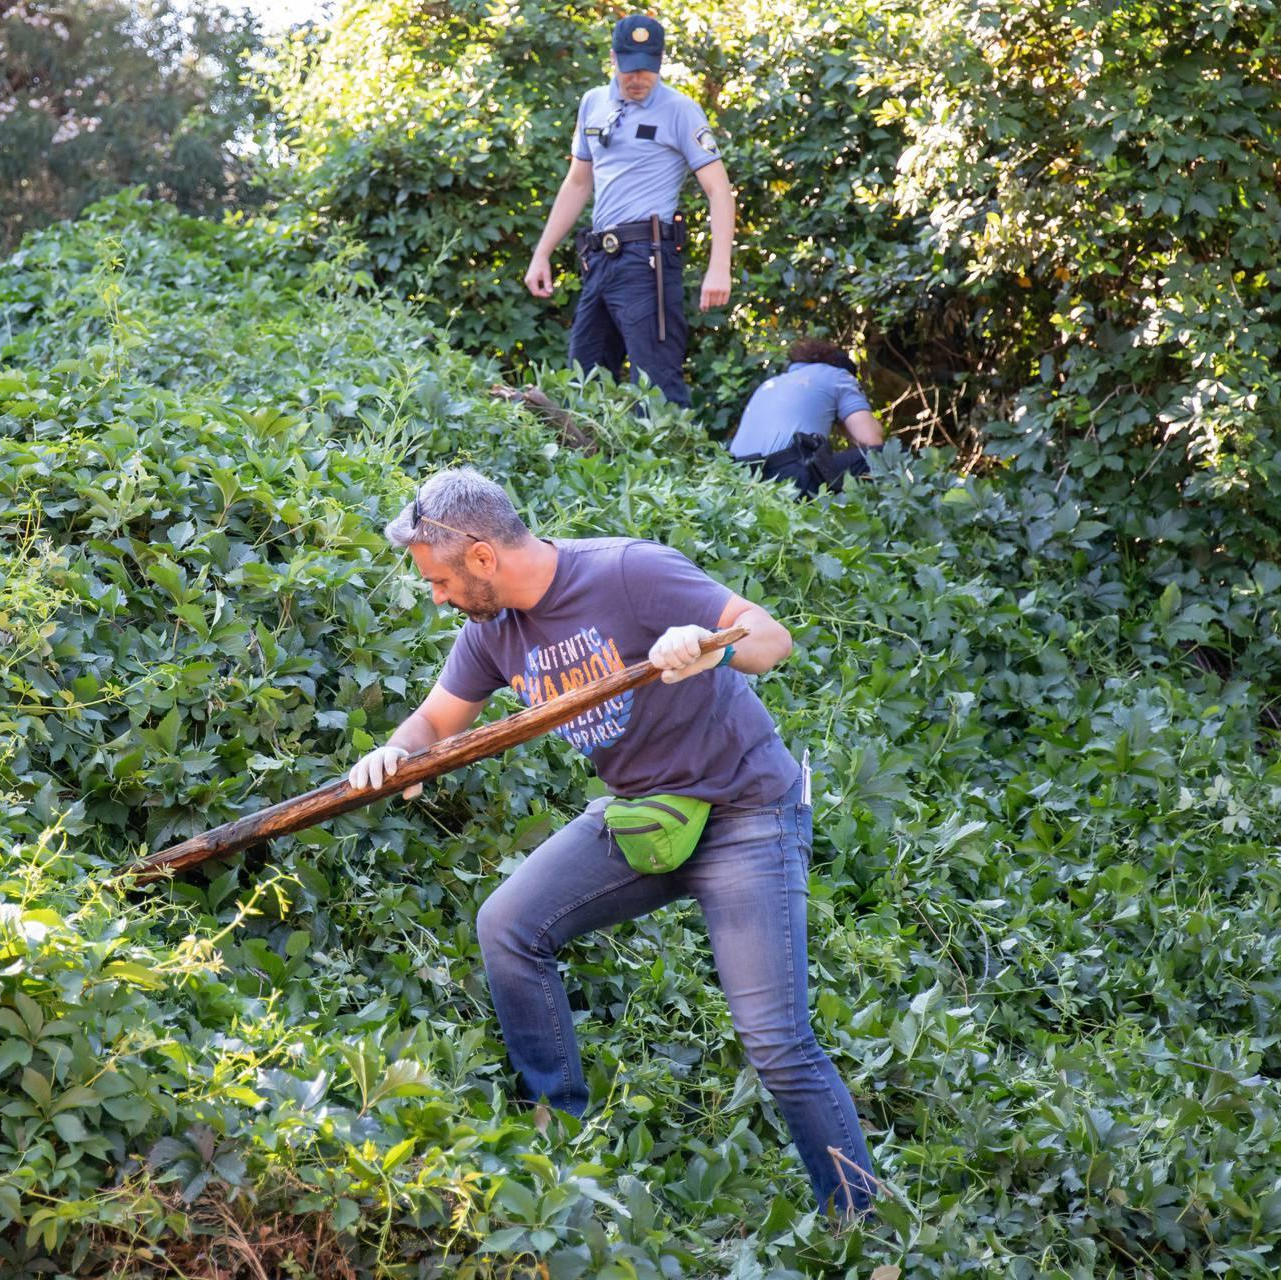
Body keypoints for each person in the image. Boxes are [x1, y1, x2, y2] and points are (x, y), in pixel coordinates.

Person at [346, 467, 877, 1216]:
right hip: (646, 817)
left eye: (438, 579)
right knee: (508, 926)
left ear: (480, 556)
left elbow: (770, 639)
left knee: (777, 1046)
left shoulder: (628, 572)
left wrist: (711, 647)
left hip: (746, 813)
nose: (436, 596)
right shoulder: (491, 632)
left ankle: (865, 1226)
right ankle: (555, 1129)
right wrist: (393, 754)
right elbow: (434, 722)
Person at [523, 14, 734, 408]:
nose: (638, 78)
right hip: (600, 259)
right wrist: (542, 254)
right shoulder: (593, 103)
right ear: (613, 58)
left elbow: (718, 189)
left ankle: (674, 468)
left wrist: (719, 266)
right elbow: (577, 182)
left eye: (647, 69)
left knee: (655, 391)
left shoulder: (680, 110)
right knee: (583, 382)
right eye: (629, 68)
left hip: (647, 261)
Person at [728, 339, 885, 495]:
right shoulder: (838, 376)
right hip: (788, 476)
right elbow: (871, 440)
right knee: (886, 456)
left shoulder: (770, 384)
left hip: (739, 480)